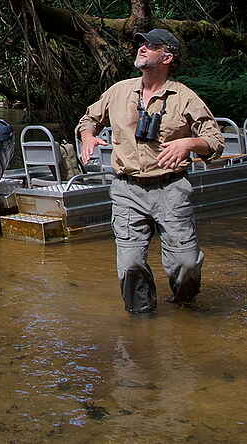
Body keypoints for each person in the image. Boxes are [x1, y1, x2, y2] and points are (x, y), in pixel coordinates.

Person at [76, 28, 224, 314]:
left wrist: (188, 143)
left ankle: (184, 304)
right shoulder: (119, 91)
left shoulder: (185, 97)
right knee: (130, 264)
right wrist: (87, 136)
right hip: (126, 188)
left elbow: (215, 141)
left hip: (171, 188)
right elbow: (88, 118)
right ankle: (141, 322)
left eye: (151, 45)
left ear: (167, 57)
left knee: (186, 263)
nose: (141, 48)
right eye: (141, 44)